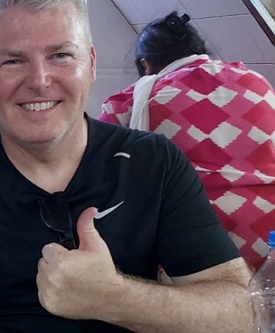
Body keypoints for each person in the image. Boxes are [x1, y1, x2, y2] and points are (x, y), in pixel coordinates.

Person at [0, 0, 252, 333]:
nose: (39, 80)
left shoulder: (153, 162)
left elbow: (241, 319)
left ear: (90, 64)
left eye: (60, 55)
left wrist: (111, 296)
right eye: (13, 60)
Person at [100, 11, 275, 271]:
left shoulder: (130, 104)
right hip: (268, 243)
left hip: (200, 248)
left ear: (146, 65)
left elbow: (96, 169)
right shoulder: (257, 82)